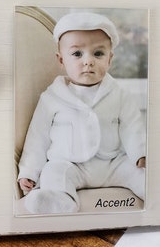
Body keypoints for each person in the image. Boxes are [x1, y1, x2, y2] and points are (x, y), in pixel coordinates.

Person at [17, 12, 146, 214]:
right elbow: (37, 137)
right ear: (61, 60)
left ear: (110, 59)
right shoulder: (52, 97)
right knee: (54, 172)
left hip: (112, 163)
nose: (88, 61)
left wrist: (141, 153)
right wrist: (29, 172)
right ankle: (59, 201)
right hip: (70, 164)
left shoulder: (120, 94)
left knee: (142, 173)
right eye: (77, 54)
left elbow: (133, 126)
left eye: (98, 54)